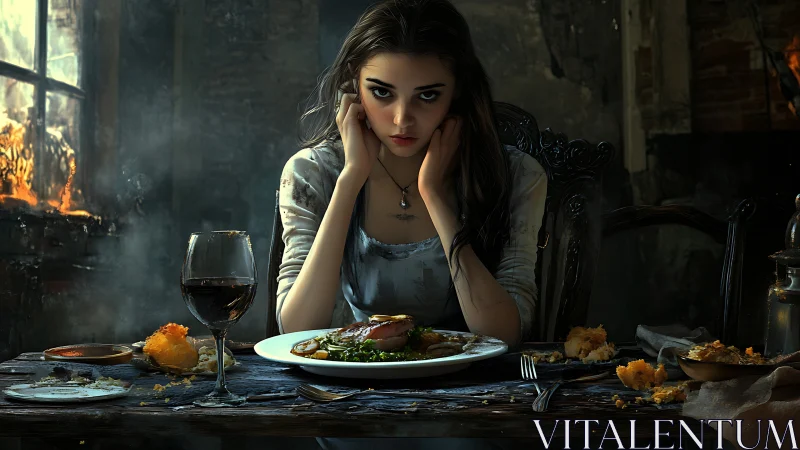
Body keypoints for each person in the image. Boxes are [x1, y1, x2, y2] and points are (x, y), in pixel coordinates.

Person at [277, 1, 547, 446]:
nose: (402, 120)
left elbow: (501, 334)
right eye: (381, 92)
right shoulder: (314, 174)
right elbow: (297, 327)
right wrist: (350, 181)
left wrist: (435, 196)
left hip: (477, 408)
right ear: (354, 91)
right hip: (349, 409)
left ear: (456, 94)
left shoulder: (516, 175)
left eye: (427, 95)